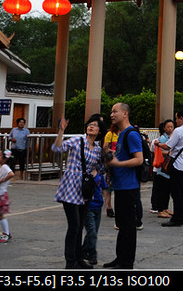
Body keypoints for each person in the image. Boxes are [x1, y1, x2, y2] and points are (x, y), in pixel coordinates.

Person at [52, 115, 105, 268]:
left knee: (80, 225)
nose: (91, 126)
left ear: (100, 131)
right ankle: (70, 261)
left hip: (85, 188)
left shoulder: (98, 150)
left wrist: (104, 160)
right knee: (74, 225)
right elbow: (57, 148)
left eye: (95, 125)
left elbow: (101, 168)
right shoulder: (77, 140)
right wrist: (61, 131)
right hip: (70, 185)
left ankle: (78, 259)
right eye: (89, 124)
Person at [103, 102, 142, 268]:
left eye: (115, 111)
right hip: (120, 186)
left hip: (128, 186)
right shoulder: (121, 134)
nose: (112, 115)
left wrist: (118, 163)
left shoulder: (131, 134)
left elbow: (139, 159)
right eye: (111, 112)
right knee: (122, 225)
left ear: (125, 113)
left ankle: (127, 262)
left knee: (128, 226)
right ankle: (120, 257)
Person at [160, 109, 183, 227]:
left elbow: (168, 146)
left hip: (178, 165)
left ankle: (177, 218)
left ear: (181, 118)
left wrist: (158, 144)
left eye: (177, 118)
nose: (176, 121)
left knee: (176, 192)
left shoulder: (178, 131)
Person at [150, 119, 175, 218]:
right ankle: (160, 209)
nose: (170, 129)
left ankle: (165, 208)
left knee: (167, 189)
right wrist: (170, 152)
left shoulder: (170, 137)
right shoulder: (163, 139)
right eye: (168, 127)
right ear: (164, 128)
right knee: (162, 190)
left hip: (167, 167)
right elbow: (158, 150)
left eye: (171, 127)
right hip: (162, 167)